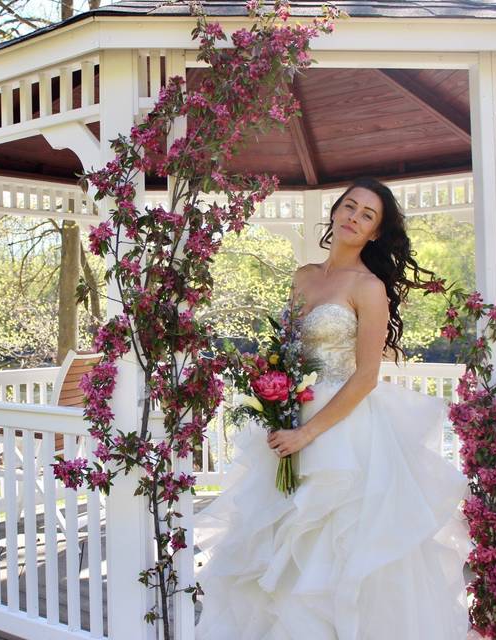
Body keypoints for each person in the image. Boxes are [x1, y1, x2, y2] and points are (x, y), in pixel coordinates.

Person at [194, 177, 472, 640]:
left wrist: (307, 434)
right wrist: (275, 395)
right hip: (291, 415)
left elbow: (365, 377)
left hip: (343, 432)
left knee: (335, 552)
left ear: (375, 234)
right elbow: (288, 350)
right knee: (277, 549)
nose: (354, 217)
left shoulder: (369, 287)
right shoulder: (303, 276)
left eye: (367, 215)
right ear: (335, 210)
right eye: (349, 206)